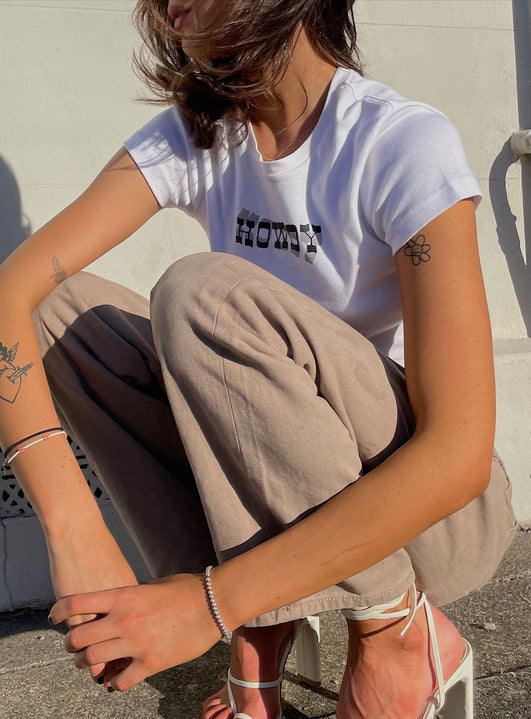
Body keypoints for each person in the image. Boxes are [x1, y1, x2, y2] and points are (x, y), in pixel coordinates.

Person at [0, 1, 516, 717]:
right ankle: (262, 624)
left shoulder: (398, 140)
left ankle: (394, 631)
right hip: (283, 494)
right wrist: (72, 526)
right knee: (62, 311)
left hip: (429, 522)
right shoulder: (198, 135)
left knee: (202, 295)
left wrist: (209, 603)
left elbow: (457, 456)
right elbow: (12, 293)